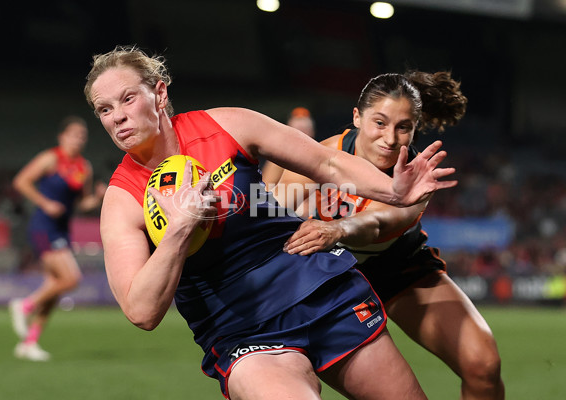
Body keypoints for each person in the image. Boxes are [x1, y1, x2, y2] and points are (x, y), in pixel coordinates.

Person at [83, 45, 458, 399]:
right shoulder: (122, 200)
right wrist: (180, 229)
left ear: (160, 94)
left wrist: (395, 191)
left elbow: (326, 162)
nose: (117, 116)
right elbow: (141, 311)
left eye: (128, 99)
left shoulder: (227, 125)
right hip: (244, 333)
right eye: (104, 109)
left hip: (319, 290)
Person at [276, 71, 505, 399]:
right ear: (357, 117)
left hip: (398, 270)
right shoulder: (319, 156)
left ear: (415, 128)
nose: (390, 139)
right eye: (379, 123)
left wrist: (339, 228)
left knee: (483, 364)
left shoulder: (417, 178)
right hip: (329, 280)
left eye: (403, 127)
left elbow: (377, 225)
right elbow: (271, 216)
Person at [9, 116, 106, 361]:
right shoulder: (50, 158)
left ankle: (29, 343)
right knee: (71, 278)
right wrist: (45, 203)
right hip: (43, 228)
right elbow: (21, 181)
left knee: (54, 289)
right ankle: (24, 305)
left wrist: (97, 198)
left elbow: (82, 204)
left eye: (82, 136)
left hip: (62, 231)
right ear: (62, 136)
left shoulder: (84, 167)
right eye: (74, 134)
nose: (79, 139)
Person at [261, 106, 315, 191]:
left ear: (312, 132)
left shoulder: (318, 155)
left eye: (304, 131)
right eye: (298, 131)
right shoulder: (280, 156)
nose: (302, 137)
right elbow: (265, 188)